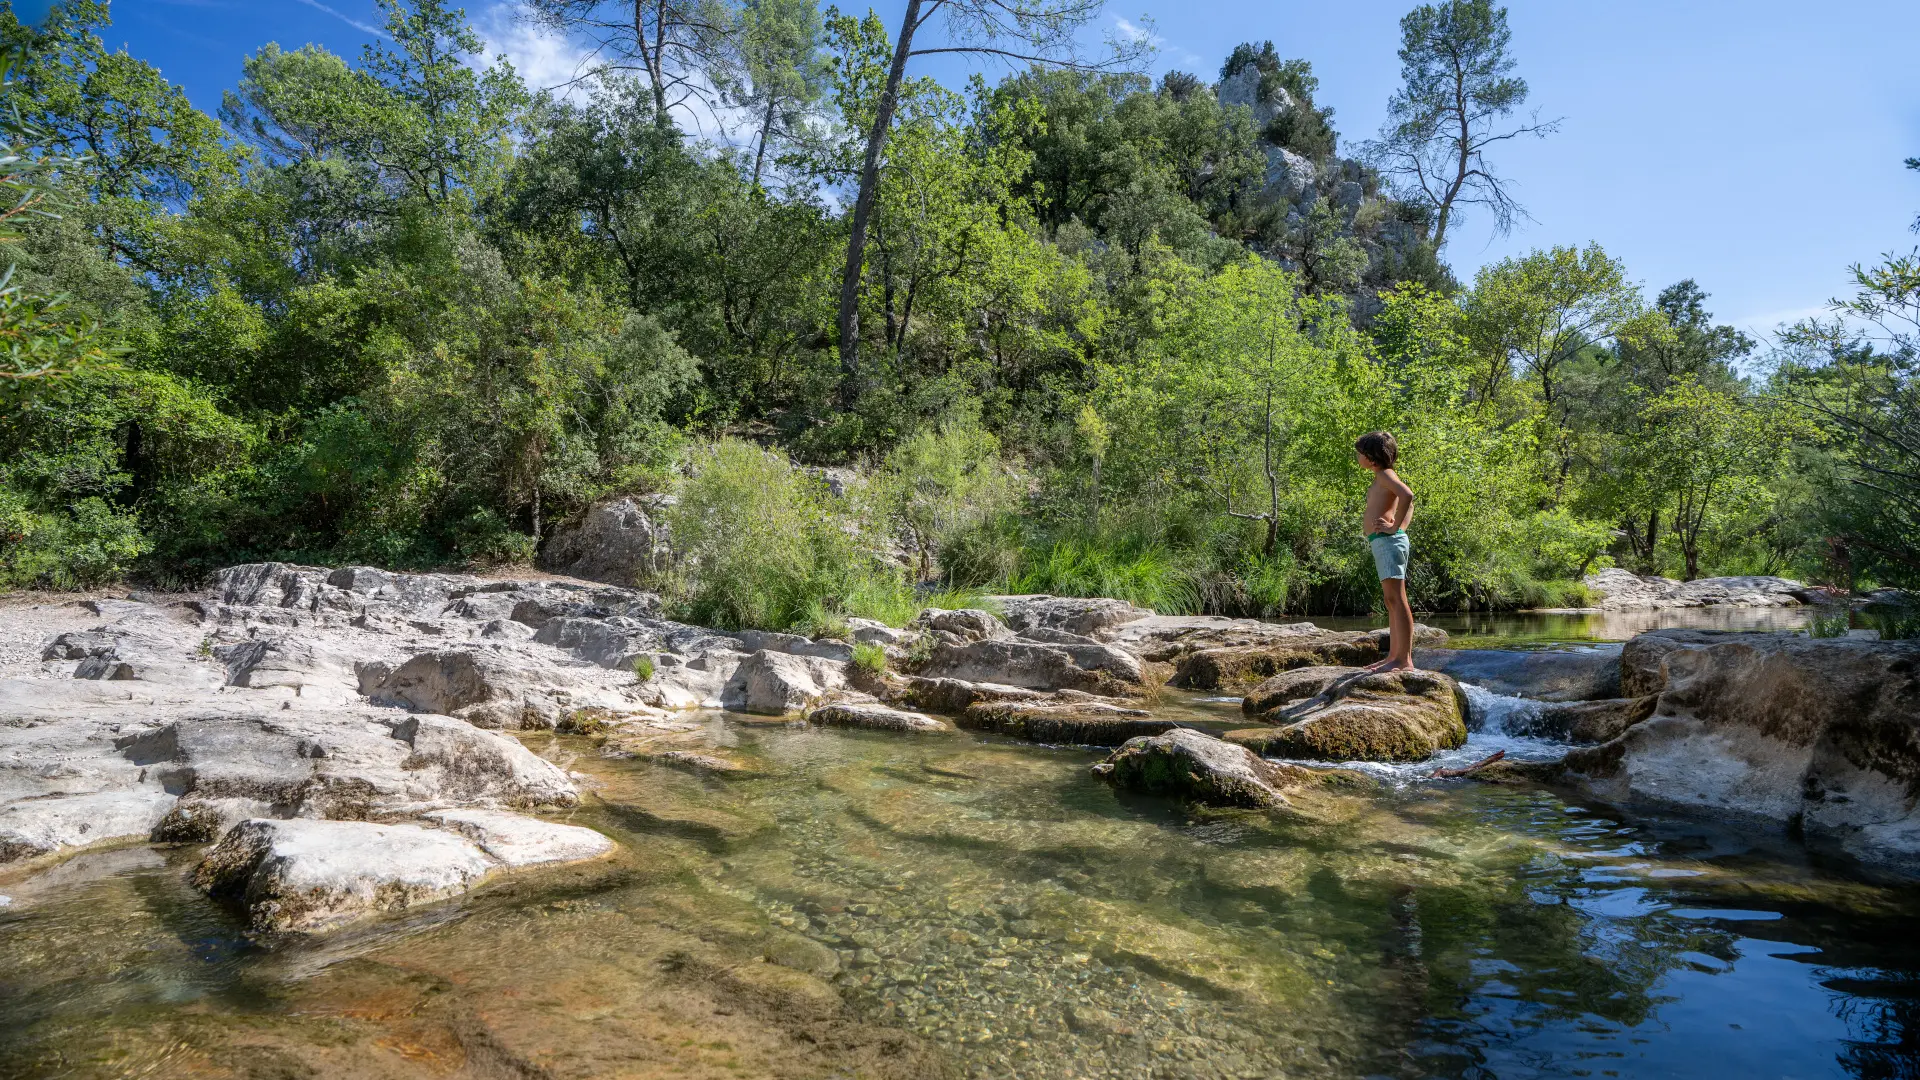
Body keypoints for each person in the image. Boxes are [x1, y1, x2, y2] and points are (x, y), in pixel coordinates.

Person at [1355, 431, 1416, 672]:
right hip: (1384, 541)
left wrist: (1394, 528)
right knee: (1391, 601)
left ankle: (1404, 660)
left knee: (1397, 600)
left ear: (1371, 458)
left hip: (1388, 542)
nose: (1357, 458)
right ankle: (1394, 656)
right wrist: (1399, 527)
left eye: (1359, 454)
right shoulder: (1381, 476)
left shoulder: (1385, 475)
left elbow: (1408, 495)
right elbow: (1408, 502)